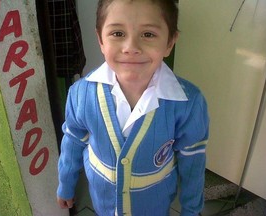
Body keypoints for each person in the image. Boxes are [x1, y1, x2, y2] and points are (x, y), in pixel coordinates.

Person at [56, 0, 209, 215]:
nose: (131, 48)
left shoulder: (188, 103)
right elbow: (73, 139)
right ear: (100, 39)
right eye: (118, 33)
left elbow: (193, 160)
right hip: (103, 203)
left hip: (153, 206)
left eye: (148, 34)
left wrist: (191, 209)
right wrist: (66, 183)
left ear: (169, 43)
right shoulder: (81, 93)